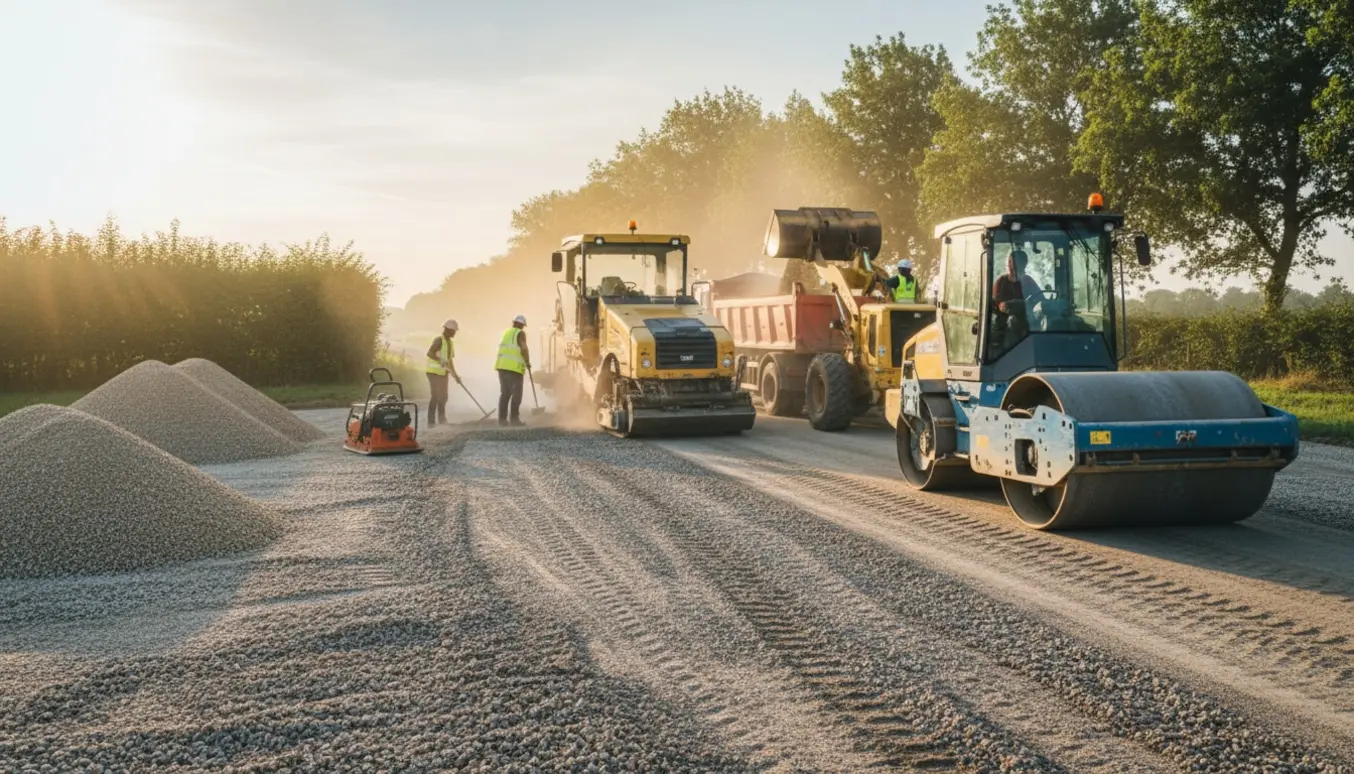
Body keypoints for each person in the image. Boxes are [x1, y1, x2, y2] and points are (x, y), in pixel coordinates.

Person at [494, 314, 530, 426]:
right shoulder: (520, 333)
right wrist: (527, 361)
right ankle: (514, 419)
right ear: (521, 325)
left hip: (502, 367)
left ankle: (502, 420)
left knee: (505, 394)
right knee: (517, 394)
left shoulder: (506, 333)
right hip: (514, 369)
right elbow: (523, 348)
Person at [425, 318, 461, 426]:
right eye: (454, 331)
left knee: (444, 397)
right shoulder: (438, 340)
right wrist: (440, 360)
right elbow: (430, 353)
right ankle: (431, 422)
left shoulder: (450, 343)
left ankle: (442, 420)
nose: (455, 333)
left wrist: (455, 375)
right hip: (433, 372)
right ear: (448, 330)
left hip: (443, 373)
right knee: (436, 396)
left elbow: (450, 361)